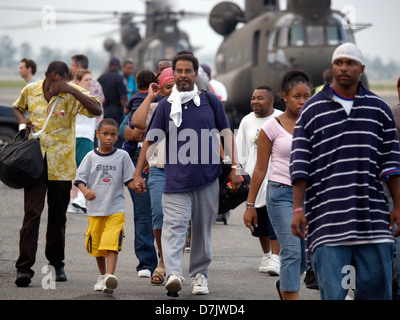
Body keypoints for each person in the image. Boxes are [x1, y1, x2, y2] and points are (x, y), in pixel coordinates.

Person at [290, 43, 400, 300]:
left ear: (361, 69)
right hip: (327, 219)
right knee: (333, 294)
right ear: (332, 67)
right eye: (339, 62)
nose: (343, 68)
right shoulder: (312, 110)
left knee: (377, 291)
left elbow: (392, 163)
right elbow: (300, 163)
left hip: (373, 219)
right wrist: (297, 209)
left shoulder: (379, 109)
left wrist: (397, 205)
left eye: (350, 63)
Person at [133, 52, 242, 296]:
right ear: (175, 74)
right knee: (174, 227)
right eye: (179, 71)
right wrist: (138, 173)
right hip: (175, 181)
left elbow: (226, 133)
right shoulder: (164, 106)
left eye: (187, 71)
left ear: (195, 74)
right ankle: (173, 273)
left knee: (202, 231)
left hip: (207, 179)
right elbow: (150, 141)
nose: (183, 75)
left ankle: (200, 276)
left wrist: (236, 168)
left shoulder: (210, 101)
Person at [12, 60, 102, 287]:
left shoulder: (72, 93)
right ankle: (24, 268)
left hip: (61, 165)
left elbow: (97, 109)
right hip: (35, 163)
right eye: (53, 81)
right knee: (32, 214)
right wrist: (22, 120)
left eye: (62, 81)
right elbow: (16, 106)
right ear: (46, 76)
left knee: (58, 216)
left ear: (66, 78)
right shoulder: (31, 89)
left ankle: (56, 263)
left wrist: (71, 89)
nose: (56, 86)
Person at [244, 71, 310, 300]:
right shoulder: (271, 127)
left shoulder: (314, 123)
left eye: (306, 96)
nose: (302, 101)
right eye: (296, 96)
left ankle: (285, 286)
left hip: (308, 196)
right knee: (291, 252)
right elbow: (260, 168)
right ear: (285, 97)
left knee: (304, 258)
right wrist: (250, 205)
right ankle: (290, 295)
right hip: (280, 194)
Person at [74, 118, 135, 294]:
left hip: (115, 208)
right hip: (95, 209)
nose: (109, 137)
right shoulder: (90, 157)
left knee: (112, 242)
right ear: (97, 134)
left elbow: (129, 180)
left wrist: (138, 186)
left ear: (118, 137)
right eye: (105, 134)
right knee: (97, 246)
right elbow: (80, 179)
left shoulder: (122, 156)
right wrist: (85, 191)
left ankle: (110, 276)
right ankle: (102, 276)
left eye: (113, 134)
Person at [130, 67, 174, 285]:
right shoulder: (157, 108)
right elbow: (137, 123)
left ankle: (173, 264)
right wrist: (150, 96)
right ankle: (163, 262)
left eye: (175, 85)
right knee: (157, 214)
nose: (173, 90)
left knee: (179, 221)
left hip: (185, 171)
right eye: (168, 86)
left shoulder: (192, 107)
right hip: (158, 168)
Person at [236, 86, 282, 275]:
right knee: (259, 222)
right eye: (253, 98)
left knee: (276, 221)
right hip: (255, 179)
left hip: (276, 176)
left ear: (271, 101)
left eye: (260, 98)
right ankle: (266, 255)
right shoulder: (247, 121)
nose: (255, 101)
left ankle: (276, 258)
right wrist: (239, 173)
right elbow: (240, 150)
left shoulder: (280, 118)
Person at [121, 69, 159, 278]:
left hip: (166, 163)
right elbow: (122, 129)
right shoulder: (144, 101)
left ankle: (165, 262)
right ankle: (146, 262)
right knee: (143, 213)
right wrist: (135, 133)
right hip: (138, 160)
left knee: (164, 216)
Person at [68, 69, 98, 214]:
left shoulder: (80, 96)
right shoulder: (83, 97)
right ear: (77, 82)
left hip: (79, 136)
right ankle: (80, 198)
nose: (90, 82)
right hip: (83, 136)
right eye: (86, 80)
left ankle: (73, 201)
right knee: (86, 170)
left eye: (91, 79)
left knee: (76, 172)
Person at [98, 57, 128, 148]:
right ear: (119, 66)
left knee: (105, 135)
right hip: (116, 112)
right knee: (116, 136)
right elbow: (123, 97)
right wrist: (126, 112)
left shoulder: (101, 77)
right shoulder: (120, 78)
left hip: (104, 111)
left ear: (109, 66)